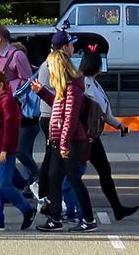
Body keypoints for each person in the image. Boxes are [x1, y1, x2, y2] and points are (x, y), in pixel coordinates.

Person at [30, 48, 97, 232]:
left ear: (58, 67)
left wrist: (65, 144)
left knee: (74, 179)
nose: (49, 70)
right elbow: (59, 106)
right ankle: (55, 218)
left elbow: (70, 117)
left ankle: (89, 220)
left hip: (71, 141)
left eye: (51, 66)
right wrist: (42, 92)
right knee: (54, 178)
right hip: (62, 140)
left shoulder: (73, 87)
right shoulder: (65, 87)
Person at [79, 47, 139, 220]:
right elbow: (97, 111)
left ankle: (117, 208)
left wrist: (120, 125)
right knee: (74, 175)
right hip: (85, 136)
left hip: (92, 136)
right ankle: (54, 203)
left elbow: (104, 113)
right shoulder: (85, 84)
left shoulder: (94, 83)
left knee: (103, 171)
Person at [0, 69, 37, 231]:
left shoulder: (8, 102)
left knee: (4, 185)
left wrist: (5, 149)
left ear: (1, 85)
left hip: (3, 151)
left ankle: (27, 210)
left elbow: (11, 128)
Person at [0, 26, 38, 187]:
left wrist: (9, 86)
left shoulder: (17, 56)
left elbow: (29, 82)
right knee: (2, 149)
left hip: (19, 110)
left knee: (22, 150)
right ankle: (22, 183)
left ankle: (38, 180)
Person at [34, 30, 77, 214]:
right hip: (52, 118)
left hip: (56, 117)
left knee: (53, 162)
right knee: (56, 164)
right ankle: (46, 193)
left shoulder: (61, 65)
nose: (74, 48)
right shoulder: (50, 65)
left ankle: (50, 198)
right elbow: (57, 98)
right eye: (71, 44)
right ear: (65, 47)